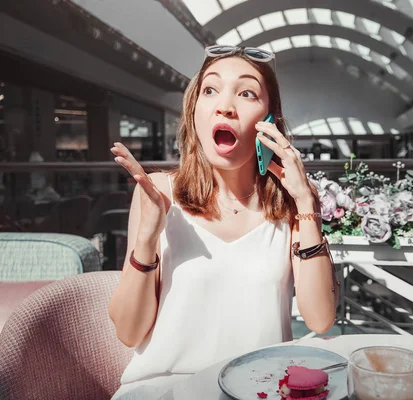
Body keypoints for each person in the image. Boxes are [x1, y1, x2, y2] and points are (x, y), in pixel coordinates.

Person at [108, 45, 339, 398]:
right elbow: (128, 331)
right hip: (163, 388)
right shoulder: (157, 192)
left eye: (247, 93)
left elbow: (320, 319)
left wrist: (306, 202)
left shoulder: (292, 205)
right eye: (210, 89)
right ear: (195, 111)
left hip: (257, 389)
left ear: (269, 119)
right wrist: (147, 237)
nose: (225, 105)